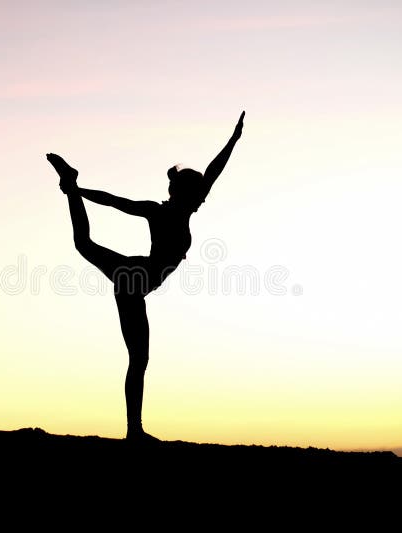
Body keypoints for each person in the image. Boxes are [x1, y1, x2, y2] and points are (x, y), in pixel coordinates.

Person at [47, 111, 245, 442]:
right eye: (198, 193)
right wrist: (80, 191)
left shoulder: (182, 210)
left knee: (83, 244)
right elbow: (115, 202)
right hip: (135, 278)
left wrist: (234, 140)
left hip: (134, 278)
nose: (203, 197)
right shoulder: (161, 211)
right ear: (188, 195)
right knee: (139, 359)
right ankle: (134, 431)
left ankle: (70, 182)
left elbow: (213, 172)